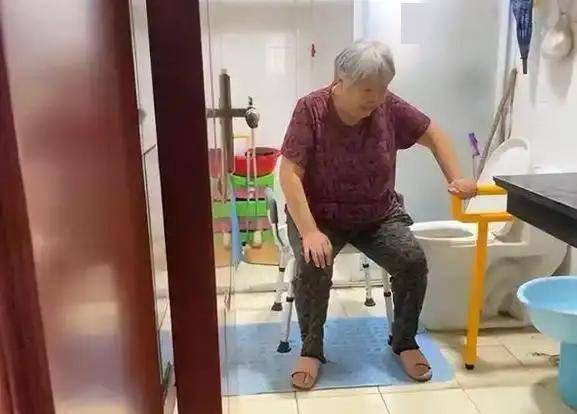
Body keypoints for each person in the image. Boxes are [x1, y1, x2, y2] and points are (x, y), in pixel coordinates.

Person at [279, 40, 477, 390]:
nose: (376, 98)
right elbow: (289, 174)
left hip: (377, 214)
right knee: (314, 264)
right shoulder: (311, 109)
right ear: (339, 80)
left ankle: (404, 341)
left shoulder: (388, 106)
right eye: (367, 89)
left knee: (411, 260)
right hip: (319, 216)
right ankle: (311, 350)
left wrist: (456, 178)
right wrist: (309, 231)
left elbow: (434, 134)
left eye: (383, 88)